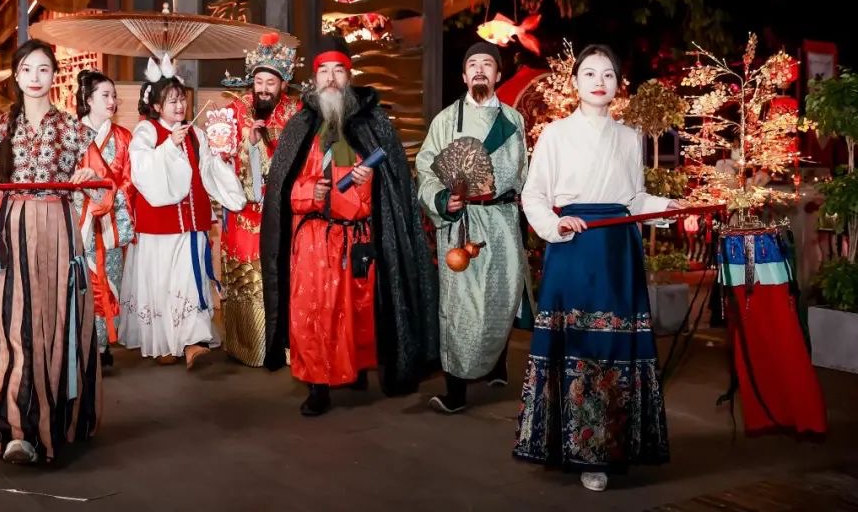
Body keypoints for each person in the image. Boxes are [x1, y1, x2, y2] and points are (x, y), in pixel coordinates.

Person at [514, 44, 677, 492]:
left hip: (617, 251)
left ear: (618, 84)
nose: (599, 81)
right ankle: (576, 450)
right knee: (578, 346)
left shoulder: (629, 136)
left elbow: (634, 198)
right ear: (575, 82)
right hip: (574, 246)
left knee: (614, 348)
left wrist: (665, 206)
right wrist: (556, 223)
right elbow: (533, 195)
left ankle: (611, 450)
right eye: (589, 73)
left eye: (608, 74)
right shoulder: (555, 134)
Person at [260, 28, 439, 416]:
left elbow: (394, 190)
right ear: (315, 76)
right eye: (324, 71)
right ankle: (318, 386)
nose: (330, 78)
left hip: (358, 240)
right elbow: (281, 191)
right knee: (314, 315)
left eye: (338, 71)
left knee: (358, 313)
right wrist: (311, 192)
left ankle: (354, 370)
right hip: (313, 241)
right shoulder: (300, 126)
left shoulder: (373, 122)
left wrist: (368, 180)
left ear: (349, 75)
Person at [0, 39, 113, 464]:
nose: (35, 77)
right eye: (28, 69)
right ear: (16, 76)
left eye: (44, 69)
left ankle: (52, 419)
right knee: (14, 324)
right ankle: (16, 429)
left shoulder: (73, 129)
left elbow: (103, 189)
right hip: (12, 232)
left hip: (58, 232)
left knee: (55, 321)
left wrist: (88, 178)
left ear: (54, 76)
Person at [415, 41, 529, 414]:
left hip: (502, 220)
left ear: (498, 74)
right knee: (460, 307)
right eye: (473, 65)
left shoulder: (514, 120)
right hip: (461, 222)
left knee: (500, 298)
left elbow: (524, 173)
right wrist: (441, 200)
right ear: (464, 76)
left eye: (487, 65)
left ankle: (495, 362)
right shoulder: (446, 121)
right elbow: (426, 168)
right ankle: (456, 389)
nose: (480, 70)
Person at [116, 55, 246, 368]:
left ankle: (192, 341)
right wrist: (168, 148)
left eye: (182, 99)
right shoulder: (147, 131)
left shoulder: (195, 134)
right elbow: (140, 169)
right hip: (158, 227)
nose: (179, 106)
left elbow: (208, 170)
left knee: (189, 279)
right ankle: (163, 343)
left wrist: (221, 158)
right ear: (156, 106)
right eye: (171, 101)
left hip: (192, 224)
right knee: (161, 283)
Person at [219, 34, 301, 366]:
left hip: (282, 211)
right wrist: (248, 144)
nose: (264, 89)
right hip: (244, 211)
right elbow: (220, 158)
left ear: (283, 84)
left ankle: (284, 345)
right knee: (246, 277)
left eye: (271, 82)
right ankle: (248, 346)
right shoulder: (234, 110)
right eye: (259, 82)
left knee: (283, 274)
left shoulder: (296, 112)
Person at [75, 69, 136, 370]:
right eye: (105, 95)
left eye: (114, 96)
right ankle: (83, 342)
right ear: (88, 99)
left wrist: (109, 197)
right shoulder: (73, 136)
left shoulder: (123, 137)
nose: (112, 101)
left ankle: (101, 344)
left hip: (111, 220)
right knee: (83, 282)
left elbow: (129, 180)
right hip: (81, 220)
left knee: (109, 281)